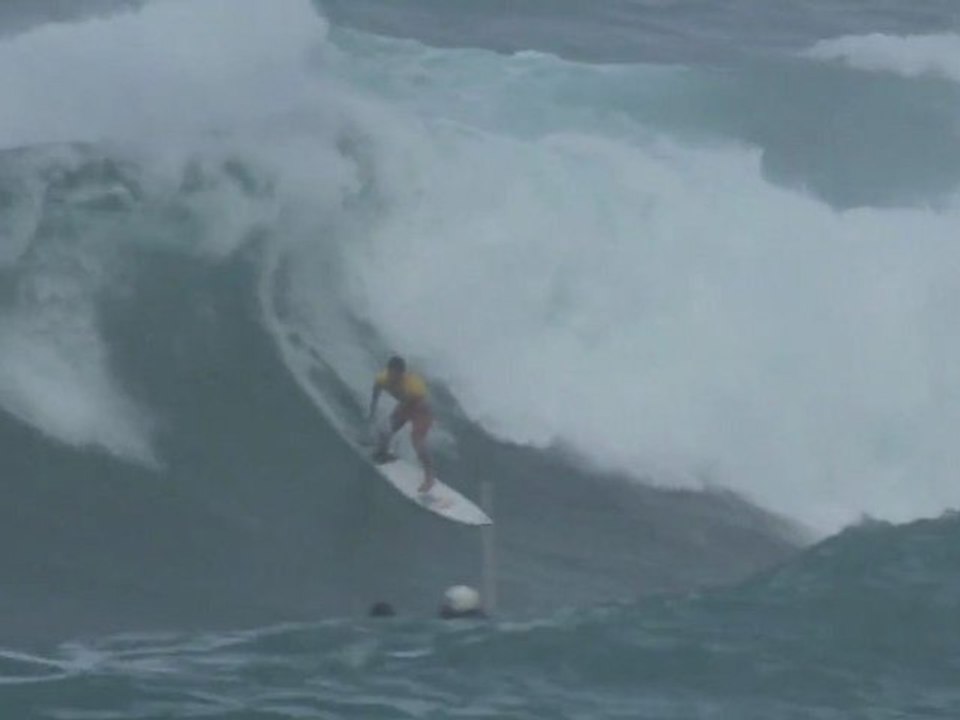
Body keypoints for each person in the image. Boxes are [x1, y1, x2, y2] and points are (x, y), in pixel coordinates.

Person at [368, 355, 435, 493]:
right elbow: (376, 392)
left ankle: (430, 477)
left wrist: (402, 414)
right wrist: (372, 411)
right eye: (391, 372)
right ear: (388, 370)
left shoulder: (413, 386)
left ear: (402, 374)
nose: (394, 376)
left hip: (421, 410)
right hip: (405, 406)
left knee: (417, 441)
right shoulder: (382, 379)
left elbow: (415, 403)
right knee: (385, 430)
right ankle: (383, 453)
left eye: (397, 373)